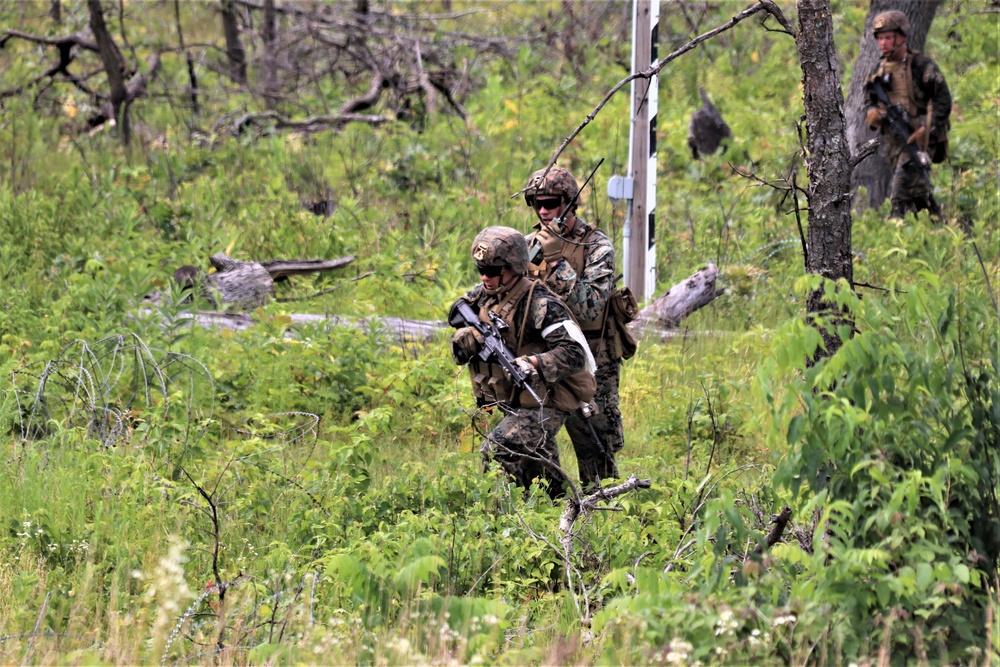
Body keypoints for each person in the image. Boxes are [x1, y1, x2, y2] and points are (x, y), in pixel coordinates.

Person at [449, 226, 596, 500]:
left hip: (548, 397)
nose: (485, 277)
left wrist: (533, 362)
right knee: (541, 472)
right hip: (516, 399)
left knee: (498, 449)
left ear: (513, 268)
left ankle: (499, 523)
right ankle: (564, 512)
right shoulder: (484, 293)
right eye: (480, 269)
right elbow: (456, 315)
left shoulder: (541, 303)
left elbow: (575, 353)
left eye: (492, 271)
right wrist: (465, 339)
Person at [522, 166, 623, 491]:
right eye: (535, 202)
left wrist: (555, 263)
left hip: (592, 361)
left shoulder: (597, 245)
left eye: (550, 202)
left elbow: (591, 306)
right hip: (544, 359)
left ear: (569, 202)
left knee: (596, 447)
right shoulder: (527, 246)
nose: (542, 210)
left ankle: (601, 516)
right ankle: (549, 511)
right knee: (529, 440)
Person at [863, 10, 951, 219]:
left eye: (888, 37)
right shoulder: (877, 71)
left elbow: (943, 101)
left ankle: (893, 231)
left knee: (900, 193)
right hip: (895, 141)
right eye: (880, 38)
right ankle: (940, 226)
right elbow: (869, 101)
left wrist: (926, 129)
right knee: (919, 194)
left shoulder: (921, 65)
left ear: (902, 37)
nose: (883, 43)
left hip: (922, 139)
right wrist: (873, 113)